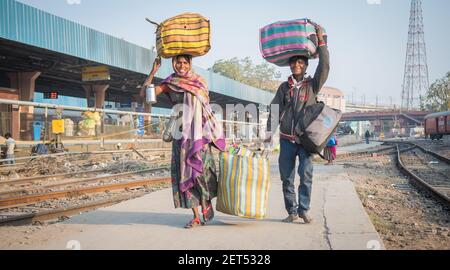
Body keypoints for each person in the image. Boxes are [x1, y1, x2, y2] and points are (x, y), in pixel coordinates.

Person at [141, 55, 225, 229]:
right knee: (184, 174)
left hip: (199, 135)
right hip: (181, 136)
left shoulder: (199, 82)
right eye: (178, 62)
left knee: (201, 172)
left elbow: (206, 108)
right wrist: (153, 72)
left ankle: (206, 202)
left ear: (190, 64)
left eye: (185, 62)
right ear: (173, 64)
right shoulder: (170, 83)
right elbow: (145, 95)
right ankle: (195, 216)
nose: (181, 66)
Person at [264, 22, 329, 224]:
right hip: (286, 141)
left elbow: (325, 66)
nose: (297, 65)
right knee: (287, 177)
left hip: (305, 141)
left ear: (306, 65)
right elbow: (274, 110)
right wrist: (268, 135)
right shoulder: (284, 88)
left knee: (306, 175)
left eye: (301, 63)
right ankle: (292, 211)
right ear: (290, 66)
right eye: (294, 63)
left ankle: (304, 210)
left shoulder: (313, 85)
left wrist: (322, 42)